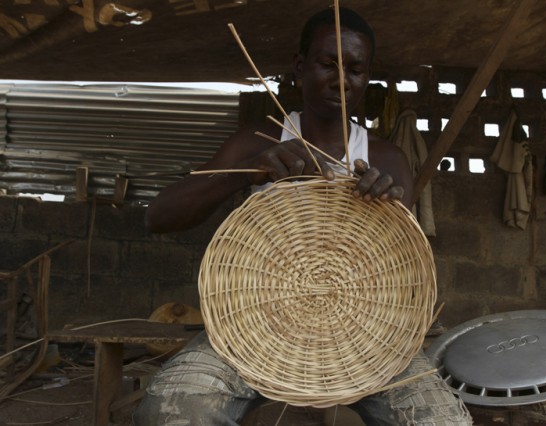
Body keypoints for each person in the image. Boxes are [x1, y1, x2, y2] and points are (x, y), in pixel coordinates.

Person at [135, 7, 471, 425]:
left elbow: (404, 274)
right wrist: (248, 171)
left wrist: (387, 205)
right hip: (252, 331)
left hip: (367, 342)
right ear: (299, 66)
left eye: (355, 69)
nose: (341, 80)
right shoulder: (259, 141)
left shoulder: (386, 158)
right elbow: (158, 216)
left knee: (441, 421)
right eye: (327, 64)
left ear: (368, 77)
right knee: (172, 410)